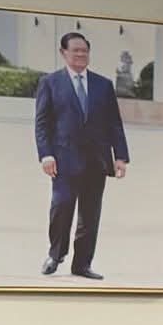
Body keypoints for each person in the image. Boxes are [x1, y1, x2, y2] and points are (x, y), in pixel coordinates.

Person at [34, 30, 130, 280]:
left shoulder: (103, 85)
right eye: (75, 50)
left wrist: (120, 156)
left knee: (90, 215)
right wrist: (46, 155)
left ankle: (82, 264)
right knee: (61, 207)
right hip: (63, 161)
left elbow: (114, 123)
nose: (80, 55)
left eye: (84, 51)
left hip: (97, 160)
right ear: (63, 52)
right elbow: (42, 124)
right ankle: (56, 254)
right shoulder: (50, 83)